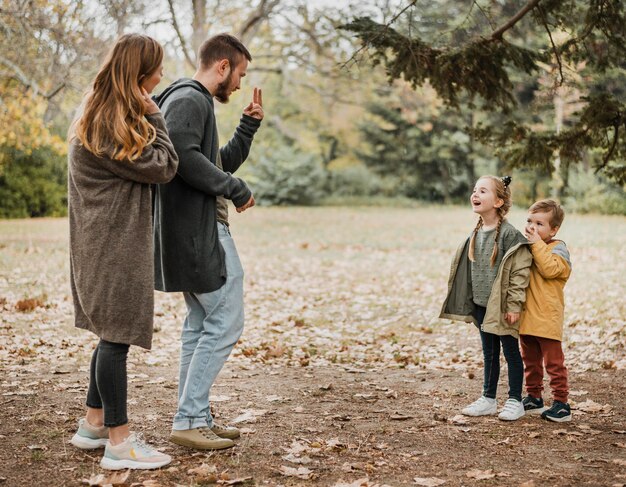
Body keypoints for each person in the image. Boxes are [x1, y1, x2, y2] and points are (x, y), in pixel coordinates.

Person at [67, 34, 179, 470]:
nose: (161, 77)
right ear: (138, 76)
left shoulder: (100, 115)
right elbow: (165, 165)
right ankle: (119, 443)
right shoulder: (108, 127)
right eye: (156, 69)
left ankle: (93, 424)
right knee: (115, 340)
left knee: (109, 334)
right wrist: (156, 113)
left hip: (103, 245)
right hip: (110, 248)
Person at [153, 33, 263, 450]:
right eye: (239, 74)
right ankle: (187, 417)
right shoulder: (188, 98)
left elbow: (211, 162)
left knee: (200, 326)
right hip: (199, 232)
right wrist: (235, 188)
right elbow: (184, 158)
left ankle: (195, 416)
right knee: (227, 319)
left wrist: (248, 125)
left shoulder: (189, 101)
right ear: (222, 66)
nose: (238, 84)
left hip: (191, 230)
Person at [440, 175, 532, 421]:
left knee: (511, 352)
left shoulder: (509, 236)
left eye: (483, 191)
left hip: (502, 308)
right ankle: (488, 399)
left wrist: (513, 305)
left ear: (499, 201)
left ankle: (515, 400)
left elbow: (519, 273)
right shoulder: (477, 232)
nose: (475, 194)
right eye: (474, 190)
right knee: (489, 353)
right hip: (482, 305)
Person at [519, 200, 572, 422]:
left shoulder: (558, 248)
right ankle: (534, 397)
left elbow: (550, 269)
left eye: (539, 224)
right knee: (530, 362)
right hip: (527, 317)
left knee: (554, 364)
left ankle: (561, 403)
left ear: (553, 229)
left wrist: (536, 244)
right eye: (530, 221)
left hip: (547, 317)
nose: (533, 227)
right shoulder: (531, 246)